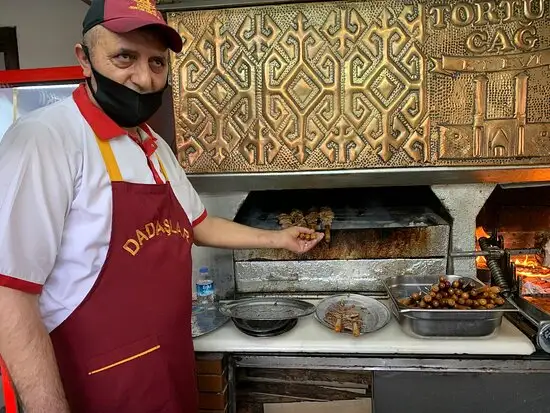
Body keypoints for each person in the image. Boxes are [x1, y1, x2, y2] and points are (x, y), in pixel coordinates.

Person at [0, 0, 323, 412]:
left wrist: (278, 239)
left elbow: (198, 224)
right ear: (84, 59)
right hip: (100, 387)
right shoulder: (45, 140)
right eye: (124, 57)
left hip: (168, 370)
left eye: (157, 63)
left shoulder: (154, 146)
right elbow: (9, 293)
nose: (143, 77)